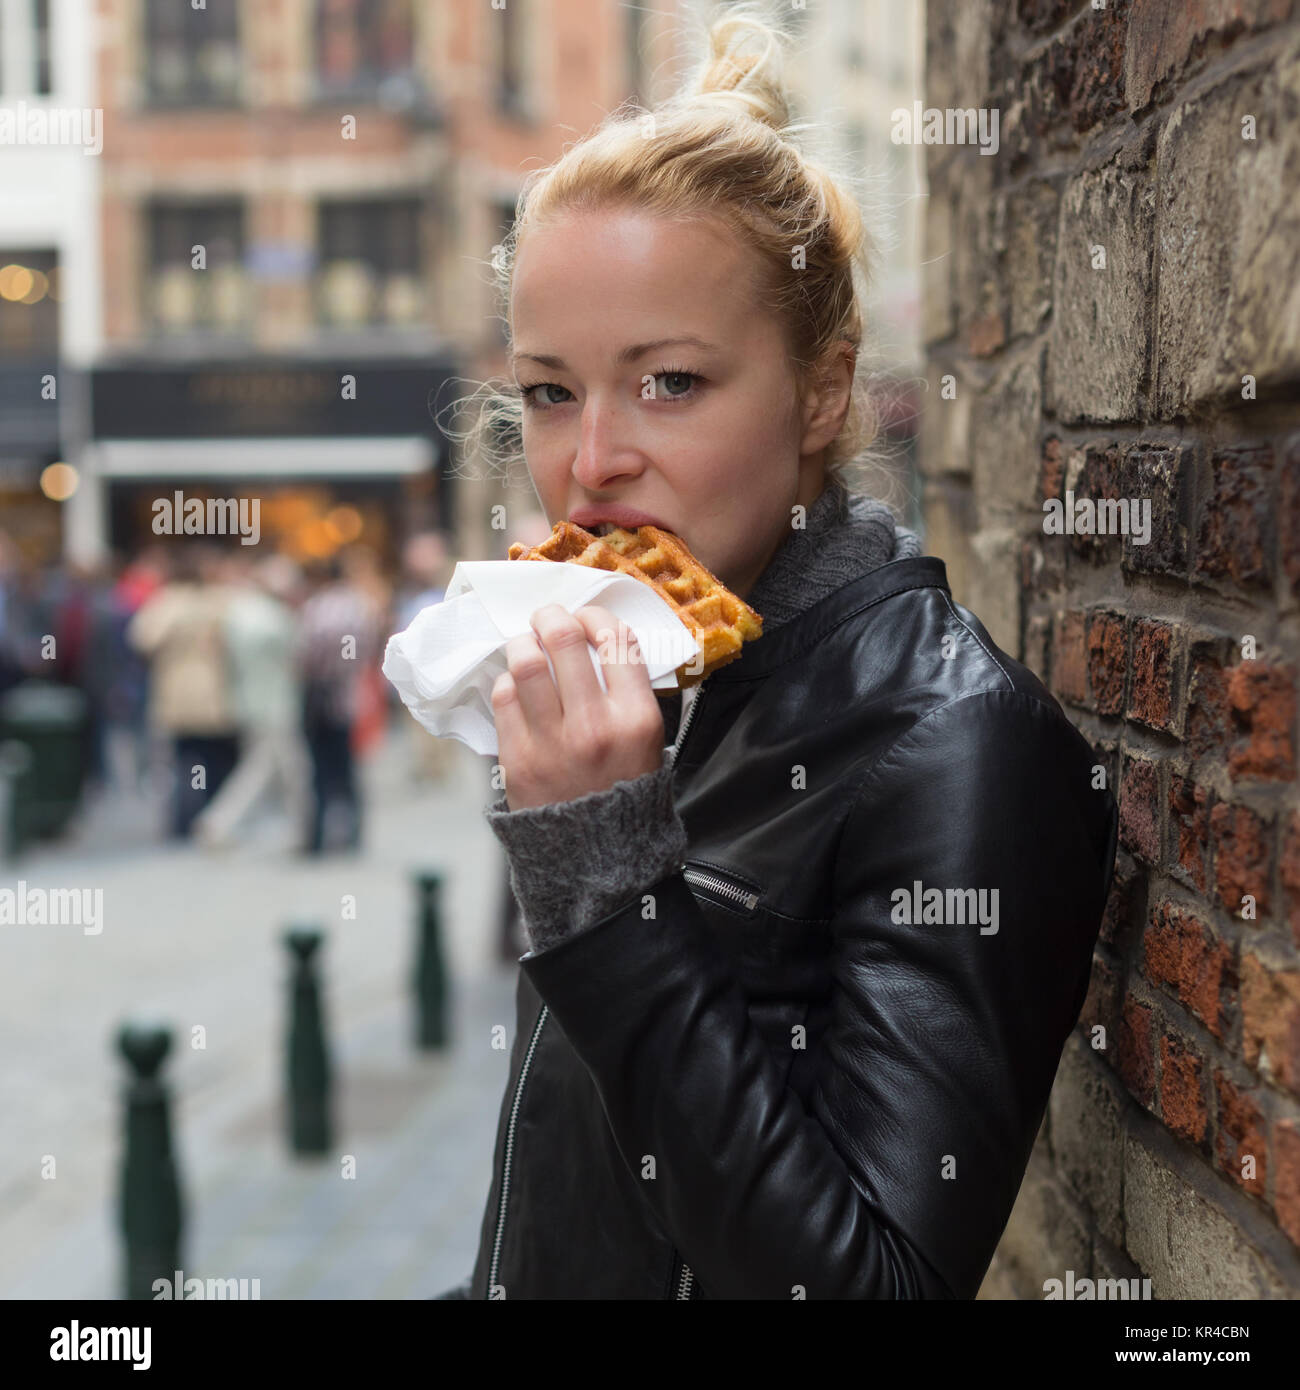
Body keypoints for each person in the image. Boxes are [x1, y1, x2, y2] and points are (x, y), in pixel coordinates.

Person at [435, 11, 1117, 1301]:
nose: (590, 463)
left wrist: (607, 887)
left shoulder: (956, 743)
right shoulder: (669, 687)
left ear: (820, 389)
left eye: (671, 382)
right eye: (549, 390)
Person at [193, 554, 309, 850]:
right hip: (274, 705)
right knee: (282, 769)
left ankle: (296, 828)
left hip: (248, 701)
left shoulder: (238, 612)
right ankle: (300, 830)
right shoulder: (271, 617)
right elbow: (297, 657)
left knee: (266, 768)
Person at [126, 544, 240, 839]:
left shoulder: (165, 602)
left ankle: (184, 820)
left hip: (177, 694)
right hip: (215, 693)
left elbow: (141, 639)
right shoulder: (220, 602)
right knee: (214, 762)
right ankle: (209, 818)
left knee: (184, 762)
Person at [296, 551, 383, 854]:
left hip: (319, 696)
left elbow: (305, 654)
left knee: (319, 769)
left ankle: (319, 835)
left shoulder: (315, 608)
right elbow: (369, 649)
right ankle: (353, 832)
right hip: (349, 694)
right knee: (348, 767)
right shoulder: (359, 607)